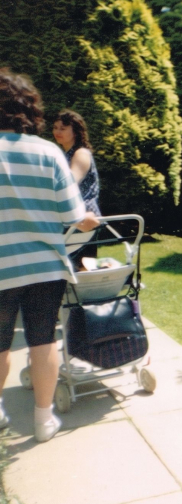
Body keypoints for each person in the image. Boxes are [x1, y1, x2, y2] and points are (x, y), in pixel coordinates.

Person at [0, 68, 99, 442]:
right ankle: (43, 422)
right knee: (43, 341)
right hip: (45, 266)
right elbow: (73, 215)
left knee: (0, 342)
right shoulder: (49, 153)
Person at [52, 109, 101, 266]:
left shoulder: (81, 153)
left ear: (76, 131)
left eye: (63, 128)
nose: (57, 131)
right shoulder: (63, 154)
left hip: (84, 220)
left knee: (79, 269)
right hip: (72, 220)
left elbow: (69, 184)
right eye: (55, 127)